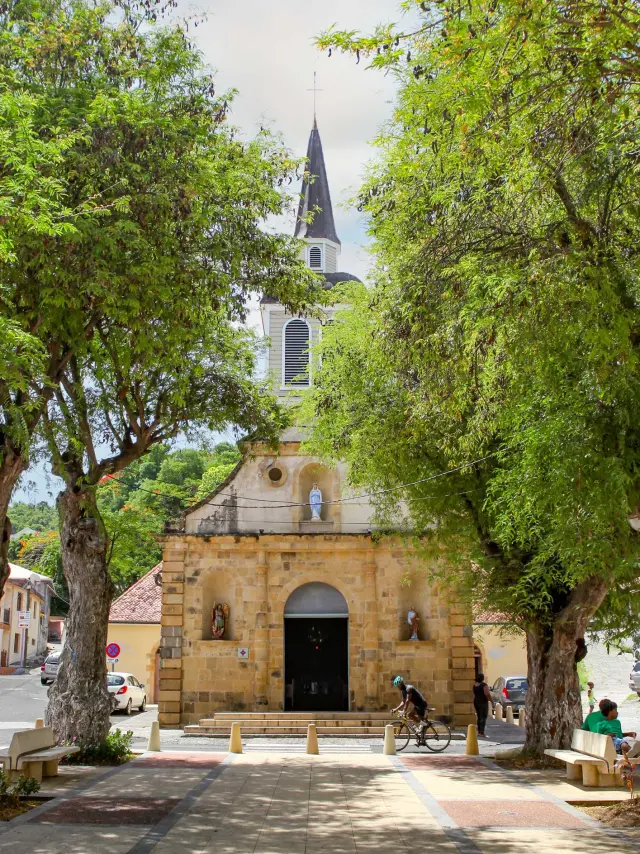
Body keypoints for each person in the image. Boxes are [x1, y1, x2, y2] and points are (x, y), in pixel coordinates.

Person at [473, 673, 493, 738]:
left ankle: (479, 731)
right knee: (483, 717)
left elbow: (474, 693)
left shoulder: (474, 685)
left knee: (479, 717)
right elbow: (487, 694)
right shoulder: (484, 685)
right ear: (482, 678)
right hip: (483, 702)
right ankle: (481, 732)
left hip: (476, 701)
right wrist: (492, 701)